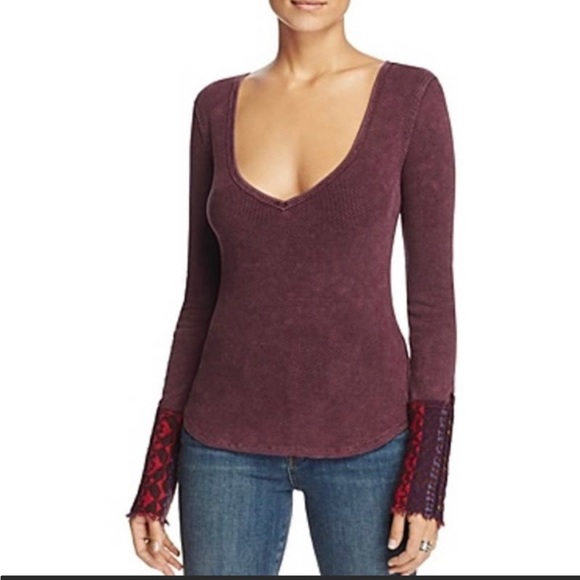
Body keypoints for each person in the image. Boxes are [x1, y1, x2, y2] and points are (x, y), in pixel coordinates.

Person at [126, 0, 457, 576]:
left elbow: (431, 300)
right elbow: (200, 299)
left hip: (370, 442)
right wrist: (157, 473)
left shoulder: (411, 97)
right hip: (221, 445)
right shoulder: (215, 106)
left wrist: (427, 476)